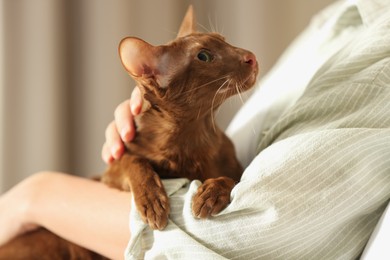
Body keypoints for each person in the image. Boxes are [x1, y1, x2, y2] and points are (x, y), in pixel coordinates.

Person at [1, 0, 390, 259]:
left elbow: (250, 229)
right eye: (207, 56)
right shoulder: (336, 20)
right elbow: (112, 174)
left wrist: (37, 195)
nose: (246, 55)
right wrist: (137, 165)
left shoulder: (377, 42)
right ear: (151, 75)